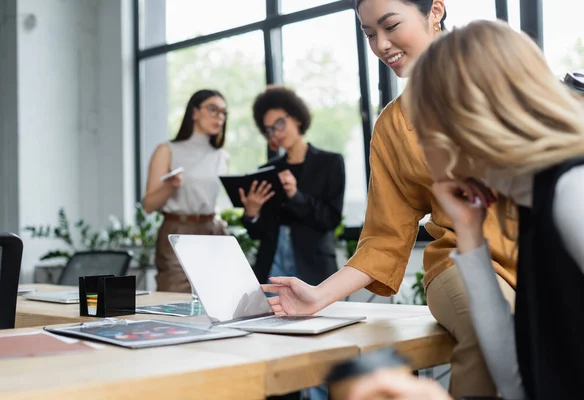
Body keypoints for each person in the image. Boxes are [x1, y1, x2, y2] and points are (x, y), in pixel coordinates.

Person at [261, 1, 517, 398]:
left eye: (390, 25)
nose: (381, 45)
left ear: (435, 11)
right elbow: (384, 236)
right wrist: (318, 296)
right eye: (368, 34)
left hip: (536, 253)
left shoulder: (507, 78)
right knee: (494, 329)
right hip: (460, 261)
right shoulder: (392, 126)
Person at [405, 20, 584, 399]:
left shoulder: (572, 193)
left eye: (422, 120)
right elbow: (520, 382)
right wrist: (469, 233)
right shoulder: (536, 203)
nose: (418, 138)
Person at [240, 85, 346, 287]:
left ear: (297, 117)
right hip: (271, 266)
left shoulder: (330, 163)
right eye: (269, 130)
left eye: (280, 123)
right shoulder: (268, 170)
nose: (276, 133)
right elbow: (259, 233)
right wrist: (252, 214)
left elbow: (330, 219)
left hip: (313, 267)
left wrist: (295, 195)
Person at [143, 89, 229, 293]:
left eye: (224, 112)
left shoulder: (222, 156)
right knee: (174, 300)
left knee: (216, 300)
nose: (219, 116)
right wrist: (170, 185)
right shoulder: (167, 150)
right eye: (213, 109)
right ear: (194, 112)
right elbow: (148, 205)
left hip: (213, 232)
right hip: (178, 231)